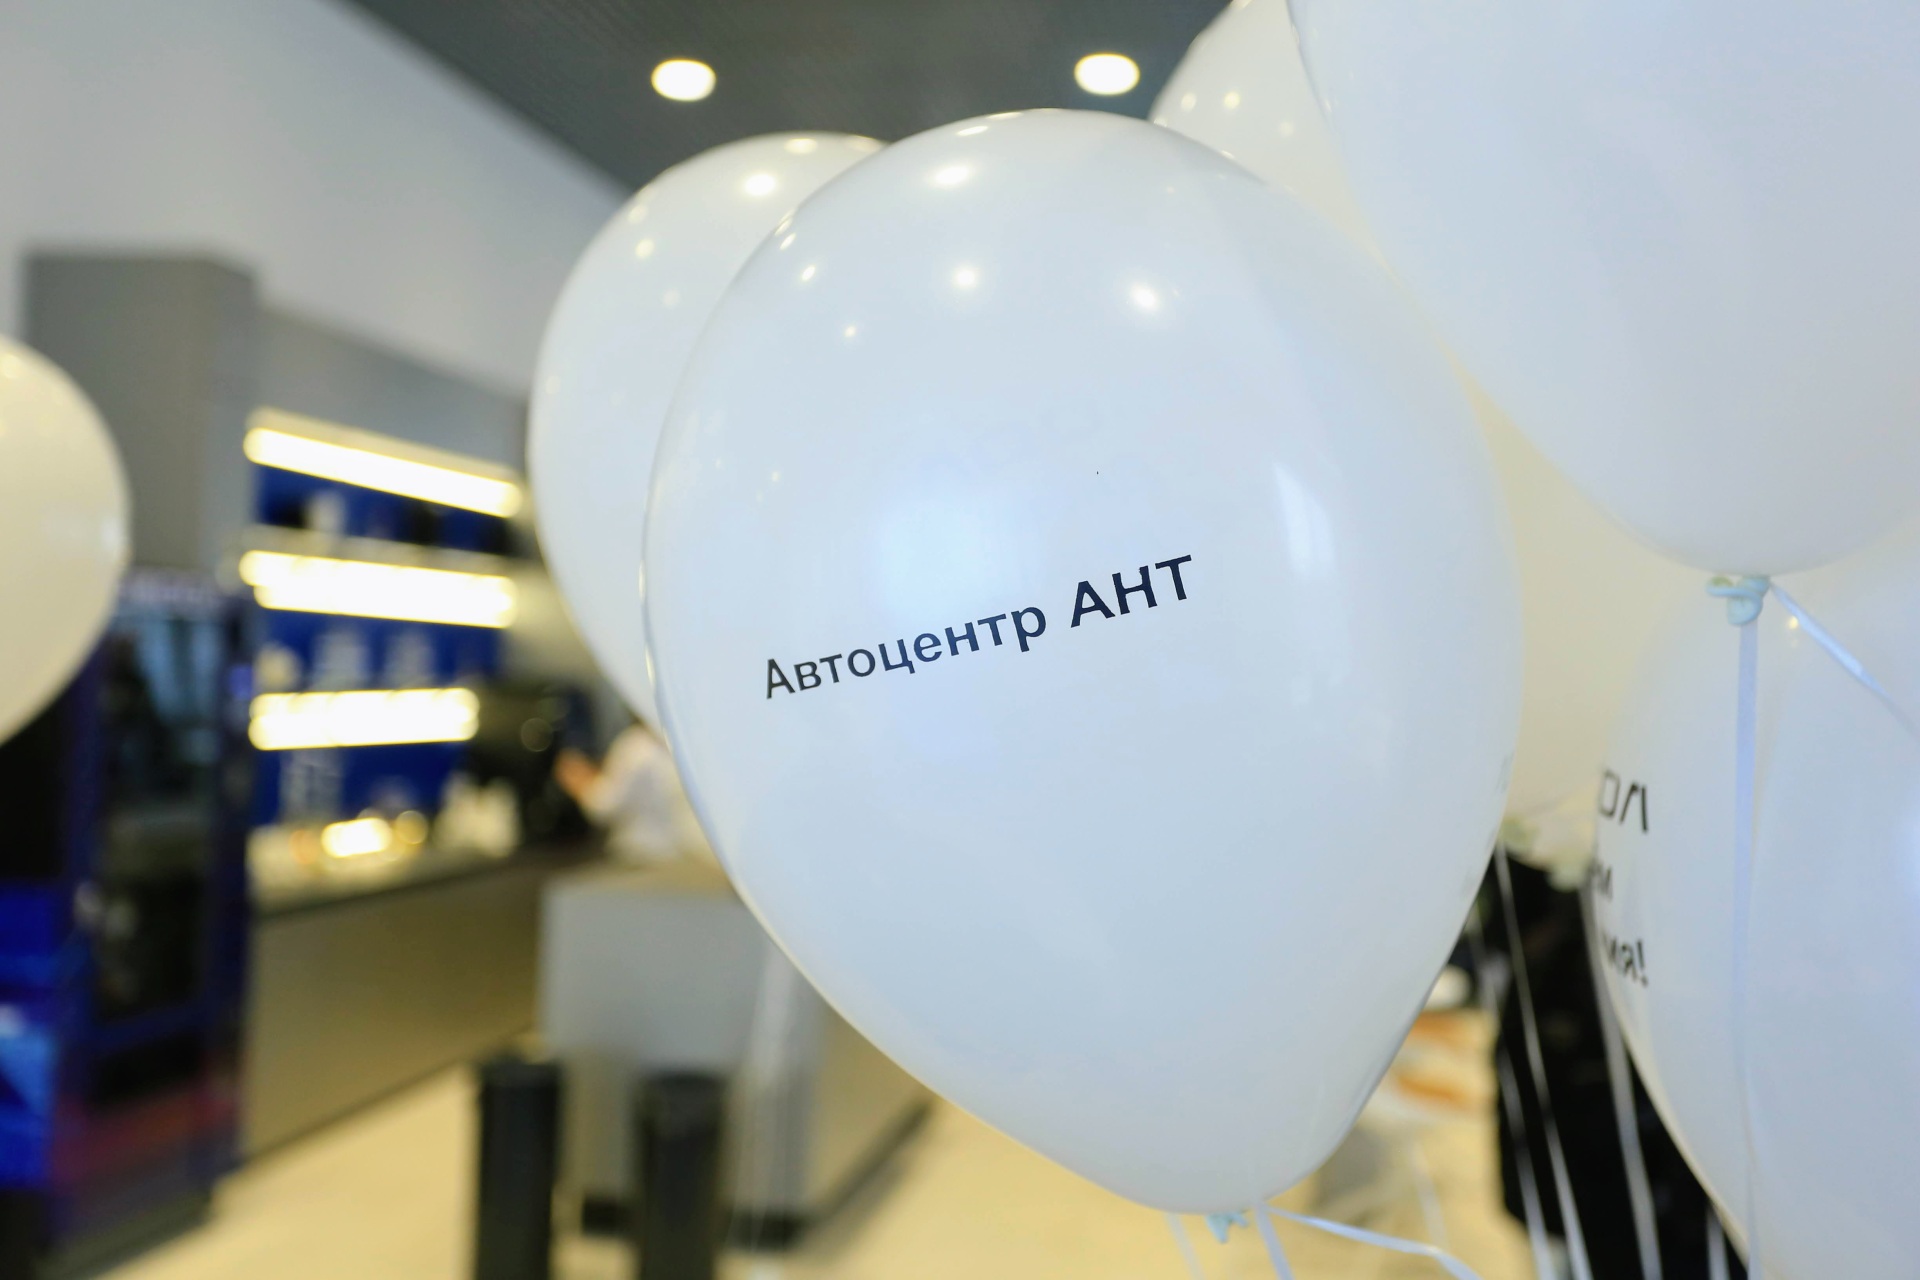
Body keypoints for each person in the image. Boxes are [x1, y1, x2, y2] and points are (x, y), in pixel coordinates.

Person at [553, 720, 714, 866]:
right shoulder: (690, 741)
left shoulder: (637, 746)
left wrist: (578, 781)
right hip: (683, 851)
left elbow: (604, 805)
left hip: (642, 854)